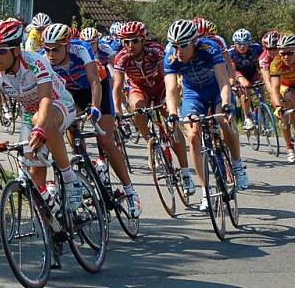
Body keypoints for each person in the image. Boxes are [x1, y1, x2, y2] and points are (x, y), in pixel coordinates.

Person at [0, 19, 82, 213]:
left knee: (41, 119)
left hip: (60, 105)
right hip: (32, 116)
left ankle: (70, 178)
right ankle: (51, 211)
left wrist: (40, 129)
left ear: (16, 50)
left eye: (2, 51)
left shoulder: (36, 62)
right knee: (33, 172)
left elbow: (46, 98)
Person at [41, 23, 142, 217]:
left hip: (96, 89)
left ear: (67, 46)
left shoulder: (81, 49)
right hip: (71, 94)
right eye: (47, 49)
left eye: (56, 49)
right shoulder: (44, 59)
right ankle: (85, 169)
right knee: (74, 138)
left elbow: (95, 80)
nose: (51, 54)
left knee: (105, 141)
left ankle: (130, 191)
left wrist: (95, 107)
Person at [163, 19, 249, 210]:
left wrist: (226, 104)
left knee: (222, 120)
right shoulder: (170, 56)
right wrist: (172, 113)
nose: (178, 51)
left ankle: (237, 165)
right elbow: (170, 90)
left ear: (194, 42)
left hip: (215, 91)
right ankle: (205, 191)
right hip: (193, 94)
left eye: (183, 45)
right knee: (193, 135)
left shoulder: (209, 47)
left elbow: (223, 80)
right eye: (175, 45)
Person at [111, 21, 194, 194]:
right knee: (136, 107)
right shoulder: (121, 57)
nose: (129, 46)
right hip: (140, 88)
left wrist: (169, 105)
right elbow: (117, 87)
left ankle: (185, 172)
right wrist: (117, 110)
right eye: (125, 42)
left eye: (134, 41)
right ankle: (150, 140)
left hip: (160, 86)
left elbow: (167, 77)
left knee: (171, 124)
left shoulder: (155, 51)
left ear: (143, 40)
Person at [227, 28, 264, 131]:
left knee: (261, 90)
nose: (242, 46)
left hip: (253, 72)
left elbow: (262, 62)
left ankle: (263, 117)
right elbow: (232, 70)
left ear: (249, 43)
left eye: (245, 43)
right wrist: (233, 84)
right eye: (239, 43)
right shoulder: (231, 52)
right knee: (246, 86)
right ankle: (247, 117)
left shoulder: (256, 48)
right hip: (239, 73)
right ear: (235, 43)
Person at [269, 34, 295, 163]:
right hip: (284, 86)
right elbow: (274, 88)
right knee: (288, 102)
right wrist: (278, 107)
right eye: (282, 53)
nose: (286, 57)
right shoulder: (276, 63)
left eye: (290, 53)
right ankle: (289, 147)